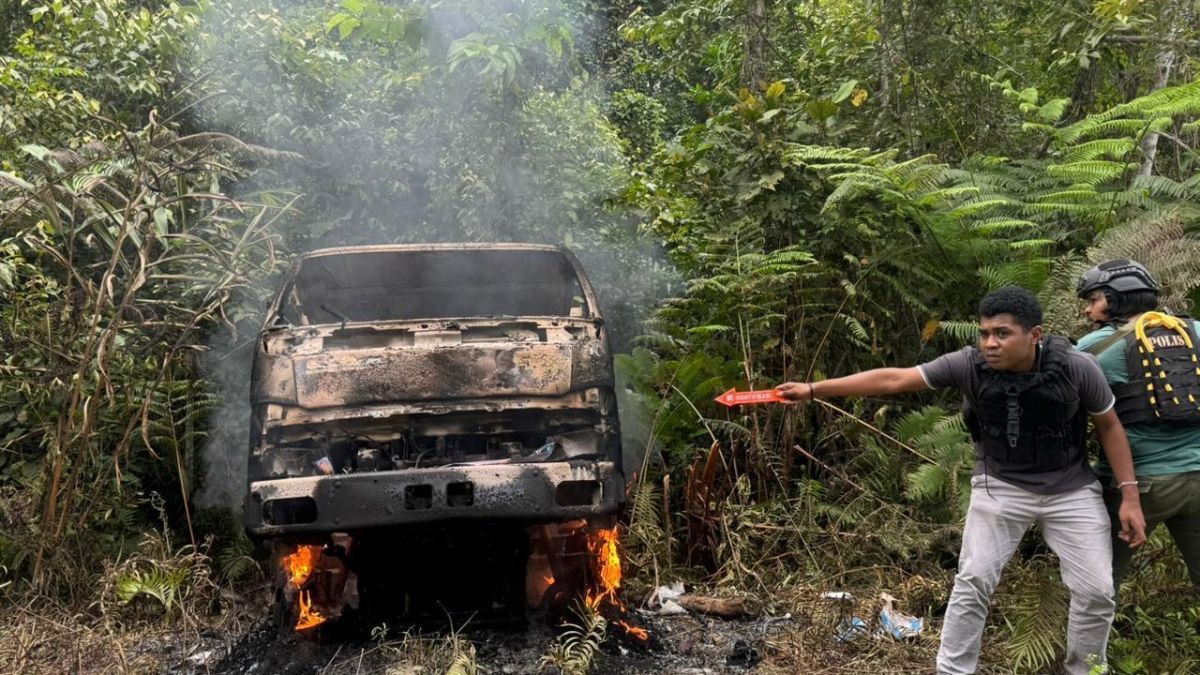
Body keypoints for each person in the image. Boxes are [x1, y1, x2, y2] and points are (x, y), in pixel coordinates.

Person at [775, 286, 1146, 675]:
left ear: (1034, 335)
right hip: (1000, 487)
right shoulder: (968, 365)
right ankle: (953, 670)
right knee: (973, 582)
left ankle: (1086, 670)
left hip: (1071, 490)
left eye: (1002, 334)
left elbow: (1109, 426)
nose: (990, 343)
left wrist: (1129, 497)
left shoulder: (1076, 367)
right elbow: (894, 380)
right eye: (984, 333)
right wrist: (815, 390)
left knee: (1097, 591)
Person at [1075, 259, 1200, 594]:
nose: (1089, 311)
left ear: (1117, 298)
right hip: (1198, 475)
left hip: (1138, 485)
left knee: (1101, 583)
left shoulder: (1095, 347)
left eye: (1094, 300)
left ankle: (1087, 648)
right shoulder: (1195, 331)